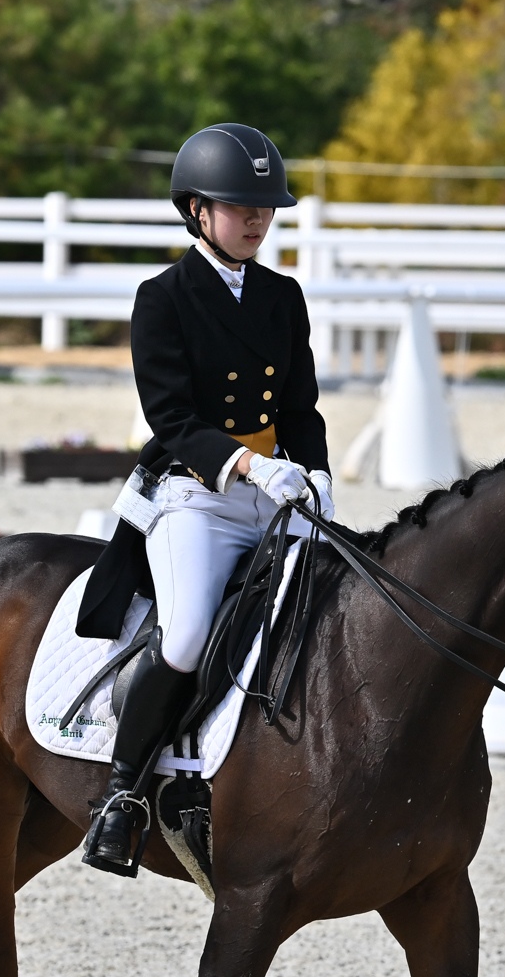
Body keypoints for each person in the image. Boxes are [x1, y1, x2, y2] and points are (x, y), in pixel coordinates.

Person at [75, 123, 331, 876]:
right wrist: (250, 467)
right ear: (197, 210)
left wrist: (316, 472)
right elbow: (172, 418)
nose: (257, 220)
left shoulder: (283, 295)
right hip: (196, 494)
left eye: (265, 208)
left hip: (279, 491)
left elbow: (300, 406)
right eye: (241, 206)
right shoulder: (163, 298)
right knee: (186, 634)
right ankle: (123, 796)